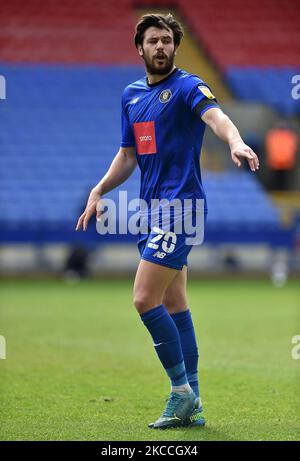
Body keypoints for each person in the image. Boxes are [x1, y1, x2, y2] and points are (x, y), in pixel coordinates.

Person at [76, 13, 259, 430]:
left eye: (166, 40)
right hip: (151, 211)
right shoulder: (131, 95)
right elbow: (129, 156)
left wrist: (235, 140)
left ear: (176, 46)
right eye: (152, 41)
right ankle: (193, 402)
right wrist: (99, 189)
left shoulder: (188, 86)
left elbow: (215, 116)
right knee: (176, 304)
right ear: (139, 48)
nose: (160, 47)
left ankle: (180, 393)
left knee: (144, 299)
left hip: (182, 209)